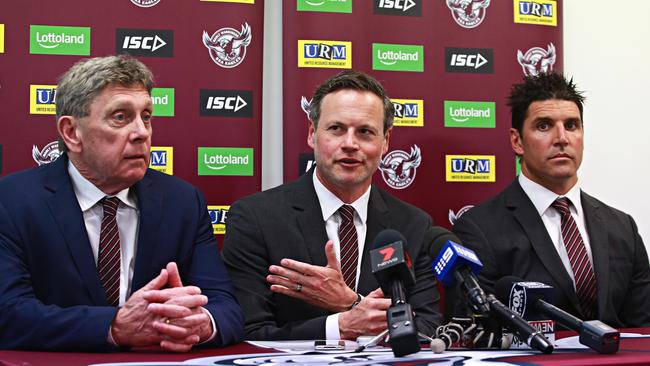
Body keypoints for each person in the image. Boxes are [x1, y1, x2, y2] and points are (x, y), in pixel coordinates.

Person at [0, 55, 244, 351]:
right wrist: (113, 326)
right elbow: (9, 314)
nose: (142, 132)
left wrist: (201, 322)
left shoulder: (183, 202)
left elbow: (226, 307)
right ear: (71, 132)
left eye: (147, 116)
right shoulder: (12, 202)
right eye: (121, 117)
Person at [222, 70, 442, 340]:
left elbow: (429, 330)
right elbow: (249, 331)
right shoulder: (255, 218)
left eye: (365, 132)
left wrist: (351, 303)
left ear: (386, 142)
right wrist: (340, 326)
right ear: (312, 134)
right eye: (336, 129)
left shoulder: (413, 225)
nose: (350, 144)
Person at [452, 72, 650, 327]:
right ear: (517, 141)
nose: (562, 139)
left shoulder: (623, 227)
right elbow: (476, 329)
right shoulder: (478, 229)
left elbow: (644, 330)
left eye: (571, 125)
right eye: (544, 126)